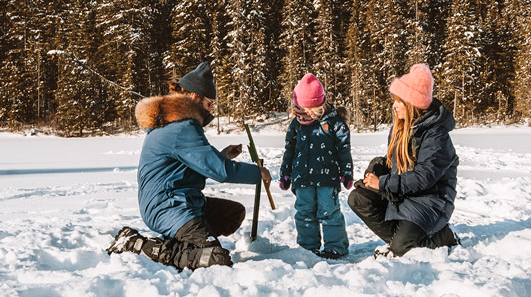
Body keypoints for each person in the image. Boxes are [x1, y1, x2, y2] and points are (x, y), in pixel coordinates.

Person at [107, 63, 272, 270]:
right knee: (215, 259)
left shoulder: (174, 122)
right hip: (168, 205)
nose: (212, 109)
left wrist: (222, 156)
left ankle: (185, 240)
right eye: (210, 103)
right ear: (195, 97)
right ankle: (138, 245)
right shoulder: (182, 127)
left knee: (233, 213)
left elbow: (193, 163)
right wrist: (258, 173)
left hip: (179, 199)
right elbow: (219, 171)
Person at [348, 63, 460, 258]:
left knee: (403, 249)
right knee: (358, 198)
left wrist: (382, 183)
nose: (394, 106)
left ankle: (443, 237)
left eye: (399, 102)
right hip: (405, 195)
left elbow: (423, 177)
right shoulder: (400, 128)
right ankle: (400, 240)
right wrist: (376, 169)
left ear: (412, 105)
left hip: (431, 201)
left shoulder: (436, 136)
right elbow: (393, 164)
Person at [279, 73, 353, 259]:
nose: (302, 117)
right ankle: (307, 247)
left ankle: (335, 246)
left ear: (320, 107)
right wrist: (285, 173)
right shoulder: (295, 126)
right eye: (299, 112)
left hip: (327, 178)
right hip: (302, 177)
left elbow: (344, 150)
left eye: (307, 112)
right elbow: (289, 151)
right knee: (304, 212)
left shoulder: (335, 124)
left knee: (329, 211)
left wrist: (347, 173)